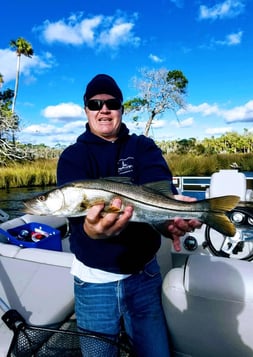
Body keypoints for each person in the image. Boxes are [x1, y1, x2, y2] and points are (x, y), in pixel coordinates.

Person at [57, 74, 201, 357]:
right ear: (85, 109)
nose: (104, 109)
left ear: (122, 108)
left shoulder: (142, 146)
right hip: (93, 281)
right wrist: (91, 231)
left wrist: (169, 219)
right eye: (95, 103)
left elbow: (158, 184)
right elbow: (77, 217)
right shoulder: (73, 157)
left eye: (112, 103)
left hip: (144, 276)